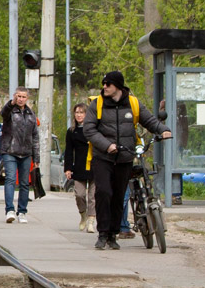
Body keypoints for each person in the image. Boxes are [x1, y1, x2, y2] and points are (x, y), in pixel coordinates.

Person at [82, 70, 171, 251]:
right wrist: (107, 145)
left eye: (108, 84)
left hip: (125, 157)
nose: (104, 87)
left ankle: (113, 235)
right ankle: (102, 234)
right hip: (103, 157)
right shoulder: (97, 104)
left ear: (118, 86)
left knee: (118, 196)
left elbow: (149, 121)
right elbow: (89, 130)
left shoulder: (133, 103)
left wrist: (163, 130)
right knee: (104, 193)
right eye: (103, 84)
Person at [0, 88, 39, 223]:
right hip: (10, 150)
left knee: (24, 183)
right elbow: (3, 113)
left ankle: (22, 211)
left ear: (27, 98)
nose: (21, 99)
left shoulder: (31, 114)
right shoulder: (10, 111)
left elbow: (35, 136)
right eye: (19, 96)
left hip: (26, 153)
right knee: (10, 179)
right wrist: (11, 103)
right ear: (15, 96)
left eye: (23, 97)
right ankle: (9, 210)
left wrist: (36, 157)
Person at [64, 102, 95, 233]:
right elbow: (69, 151)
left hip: (94, 166)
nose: (79, 115)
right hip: (79, 166)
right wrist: (68, 168)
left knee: (93, 196)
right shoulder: (71, 131)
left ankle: (91, 221)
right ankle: (83, 215)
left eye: (82, 112)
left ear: (87, 114)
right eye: (77, 112)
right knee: (80, 194)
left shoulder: (93, 129)